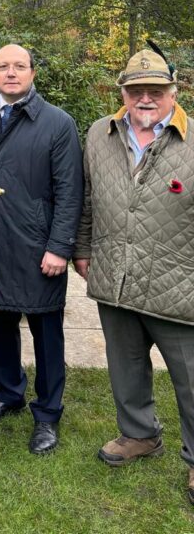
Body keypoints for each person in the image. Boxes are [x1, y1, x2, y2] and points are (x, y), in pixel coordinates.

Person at [74, 46, 194, 507]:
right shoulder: (98, 135)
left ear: (172, 92)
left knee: (190, 379)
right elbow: (88, 201)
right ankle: (139, 434)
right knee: (125, 369)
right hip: (115, 277)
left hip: (178, 283)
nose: (145, 98)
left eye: (155, 90)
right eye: (135, 90)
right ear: (122, 92)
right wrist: (82, 250)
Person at [0, 44, 83, 454]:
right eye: (3, 66)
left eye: (19, 66)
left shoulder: (57, 123)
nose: (11, 73)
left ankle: (48, 413)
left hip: (38, 246)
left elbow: (71, 192)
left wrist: (60, 247)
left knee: (46, 332)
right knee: (0, 323)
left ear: (33, 72)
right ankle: (8, 392)